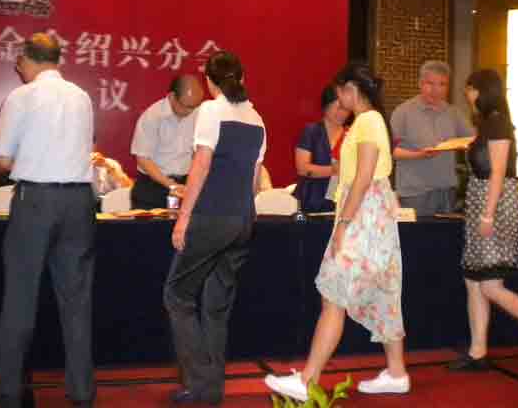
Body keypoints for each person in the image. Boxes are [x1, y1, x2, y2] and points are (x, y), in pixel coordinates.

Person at [265, 63, 409, 401]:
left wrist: (344, 223)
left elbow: (363, 177)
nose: (338, 98)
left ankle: (307, 380)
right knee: (384, 293)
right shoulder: (369, 121)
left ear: (351, 90)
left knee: (334, 295)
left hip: (363, 217)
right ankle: (396, 372)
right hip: (371, 215)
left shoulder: (368, 121)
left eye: (340, 91)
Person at [0, 33, 96, 408]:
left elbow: (1, 160)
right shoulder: (81, 97)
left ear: (28, 60)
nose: (19, 70)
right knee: (77, 302)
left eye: (19, 63)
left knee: (20, 298)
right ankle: (82, 392)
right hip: (79, 202)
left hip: (35, 201)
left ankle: (9, 392)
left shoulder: (21, 97)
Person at [165, 51, 266, 405]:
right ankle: (212, 389)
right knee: (216, 306)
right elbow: (254, 183)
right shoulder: (257, 118)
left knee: (177, 296)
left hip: (212, 218)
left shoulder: (211, 111)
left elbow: (201, 165)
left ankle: (200, 382)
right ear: (243, 78)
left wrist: (184, 216)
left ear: (209, 82)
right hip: (243, 221)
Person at [447, 69, 518, 371]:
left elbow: (497, 172)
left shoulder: (497, 122)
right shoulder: (488, 123)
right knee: (473, 281)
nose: (467, 94)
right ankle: (478, 351)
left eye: (470, 89)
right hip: (482, 201)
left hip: (494, 203)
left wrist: (488, 214)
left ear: (482, 91)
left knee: (490, 285)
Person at [391, 61, 473, 216]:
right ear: (420, 84)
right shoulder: (403, 112)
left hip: (446, 190)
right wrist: (419, 155)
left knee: (446, 232)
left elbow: (472, 139)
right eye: (430, 84)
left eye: (442, 84)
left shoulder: (454, 113)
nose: (436, 90)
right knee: (417, 232)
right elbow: (391, 151)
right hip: (415, 192)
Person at [130, 75, 204, 210]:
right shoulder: (152, 116)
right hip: (153, 186)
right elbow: (143, 158)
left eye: (195, 106)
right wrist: (170, 184)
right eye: (186, 106)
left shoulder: (199, 114)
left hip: (185, 184)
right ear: (172, 97)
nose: (190, 111)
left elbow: (199, 152)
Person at [293, 85, 350, 213]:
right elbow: (302, 169)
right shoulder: (312, 131)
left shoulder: (350, 135)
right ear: (326, 106)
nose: (343, 113)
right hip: (310, 201)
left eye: (346, 109)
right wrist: (335, 170)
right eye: (339, 107)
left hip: (339, 203)